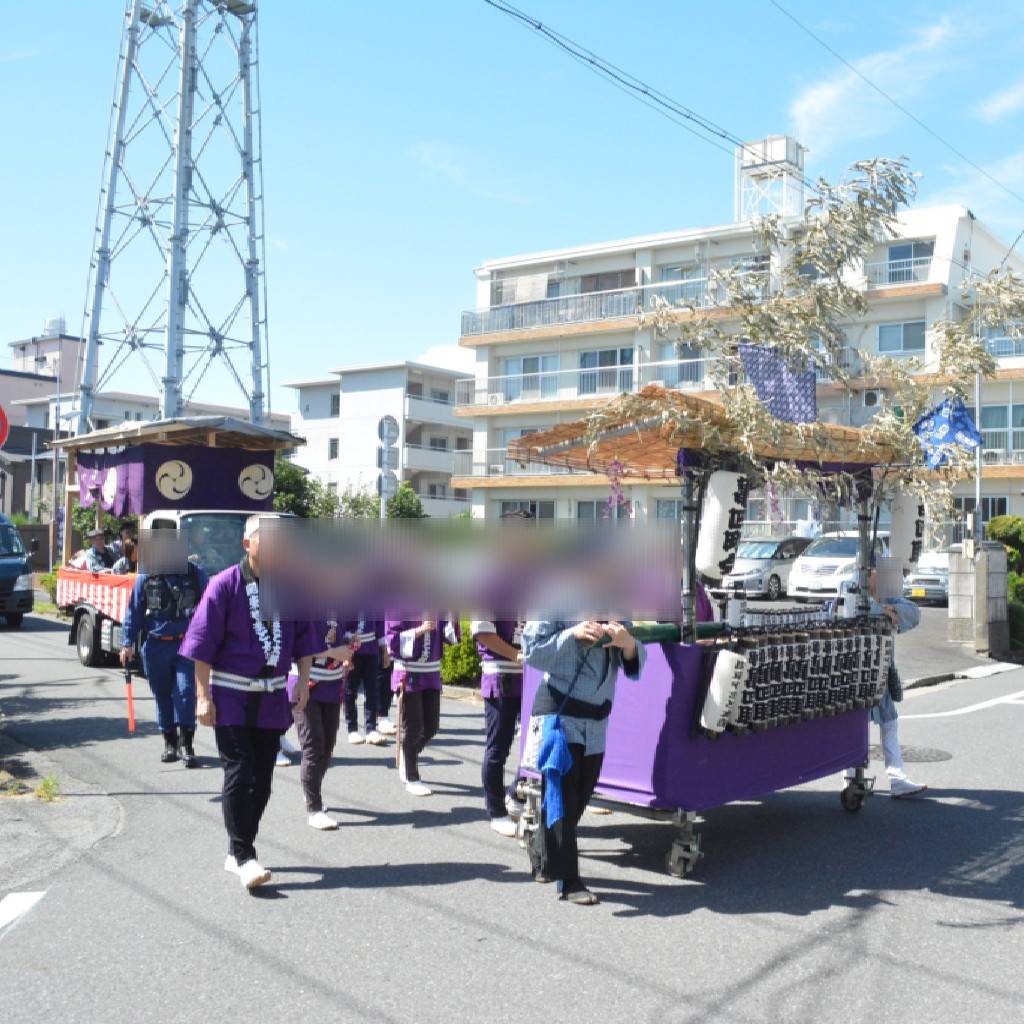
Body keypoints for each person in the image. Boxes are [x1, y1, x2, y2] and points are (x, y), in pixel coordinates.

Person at [180, 514, 320, 892]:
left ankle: (236, 848)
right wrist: (202, 696)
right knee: (239, 772)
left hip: (273, 696)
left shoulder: (291, 588)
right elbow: (202, 645)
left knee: (264, 780)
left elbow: (305, 639)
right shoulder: (224, 585)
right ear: (248, 544)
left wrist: (304, 681)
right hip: (231, 695)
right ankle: (244, 855)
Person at [522, 619, 645, 906]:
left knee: (579, 798)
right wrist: (571, 634)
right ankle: (569, 881)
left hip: (597, 722)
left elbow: (633, 661)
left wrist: (628, 644)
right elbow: (531, 650)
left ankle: (542, 852)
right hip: (559, 715)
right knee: (562, 798)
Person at [121, 541, 208, 766]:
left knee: (186, 692)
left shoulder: (195, 575)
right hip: (156, 646)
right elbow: (134, 612)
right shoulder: (147, 577)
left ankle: (187, 744)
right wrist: (127, 643)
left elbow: (211, 606)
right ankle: (169, 743)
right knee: (162, 695)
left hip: (187, 646)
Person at [289, 620, 356, 830]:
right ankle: (314, 808)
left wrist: (350, 642)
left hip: (332, 683)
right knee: (313, 746)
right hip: (306, 683)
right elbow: (296, 646)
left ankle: (311, 789)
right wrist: (333, 652)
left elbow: (344, 633)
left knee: (327, 747)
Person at [386, 616, 457, 796]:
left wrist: (453, 616)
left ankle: (407, 755)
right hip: (409, 670)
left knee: (431, 727)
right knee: (413, 728)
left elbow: (449, 637)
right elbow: (392, 641)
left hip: (431, 671)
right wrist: (420, 630)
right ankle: (412, 777)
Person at [471, 617, 524, 838]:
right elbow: (482, 631)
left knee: (537, 745)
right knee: (498, 748)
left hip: (532, 672)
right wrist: (515, 655)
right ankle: (496, 811)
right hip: (501, 673)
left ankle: (515, 794)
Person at [343, 617, 388, 745]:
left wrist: (384, 651)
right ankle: (352, 729)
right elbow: (341, 623)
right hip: (352, 649)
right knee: (350, 691)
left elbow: (380, 625)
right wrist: (346, 646)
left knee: (372, 690)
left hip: (371, 650)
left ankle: (371, 729)